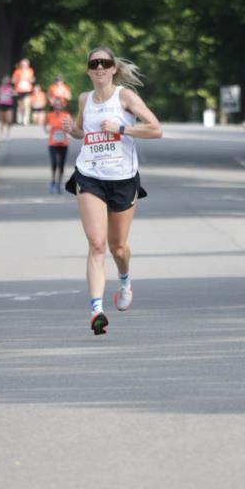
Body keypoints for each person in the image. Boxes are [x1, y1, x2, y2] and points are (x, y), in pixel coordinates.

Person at [63, 47, 162, 335]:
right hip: (90, 175)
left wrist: (121, 129)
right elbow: (83, 132)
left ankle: (125, 278)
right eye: (94, 63)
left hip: (122, 178)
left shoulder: (126, 98)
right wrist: (72, 129)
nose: (100, 67)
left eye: (105, 63)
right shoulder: (85, 99)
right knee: (96, 243)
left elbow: (156, 129)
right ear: (88, 70)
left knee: (117, 247)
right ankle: (97, 310)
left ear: (113, 68)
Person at [44, 96, 71, 193]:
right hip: (52, 143)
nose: (58, 107)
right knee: (54, 163)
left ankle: (59, 184)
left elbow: (70, 127)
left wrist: (67, 129)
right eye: (56, 105)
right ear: (54, 106)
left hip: (64, 144)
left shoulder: (66, 115)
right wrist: (46, 129)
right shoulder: (49, 115)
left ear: (62, 106)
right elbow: (45, 124)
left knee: (61, 165)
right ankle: (52, 181)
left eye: (59, 105)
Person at [12, 58, 35, 125]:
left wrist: (30, 80)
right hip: (19, 90)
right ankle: (20, 119)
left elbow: (32, 79)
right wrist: (18, 79)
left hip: (27, 90)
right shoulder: (17, 71)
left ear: (28, 65)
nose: (23, 65)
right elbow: (13, 80)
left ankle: (26, 119)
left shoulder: (30, 71)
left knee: (26, 104)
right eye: (22, 64)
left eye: (25, 64)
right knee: (20, 105)